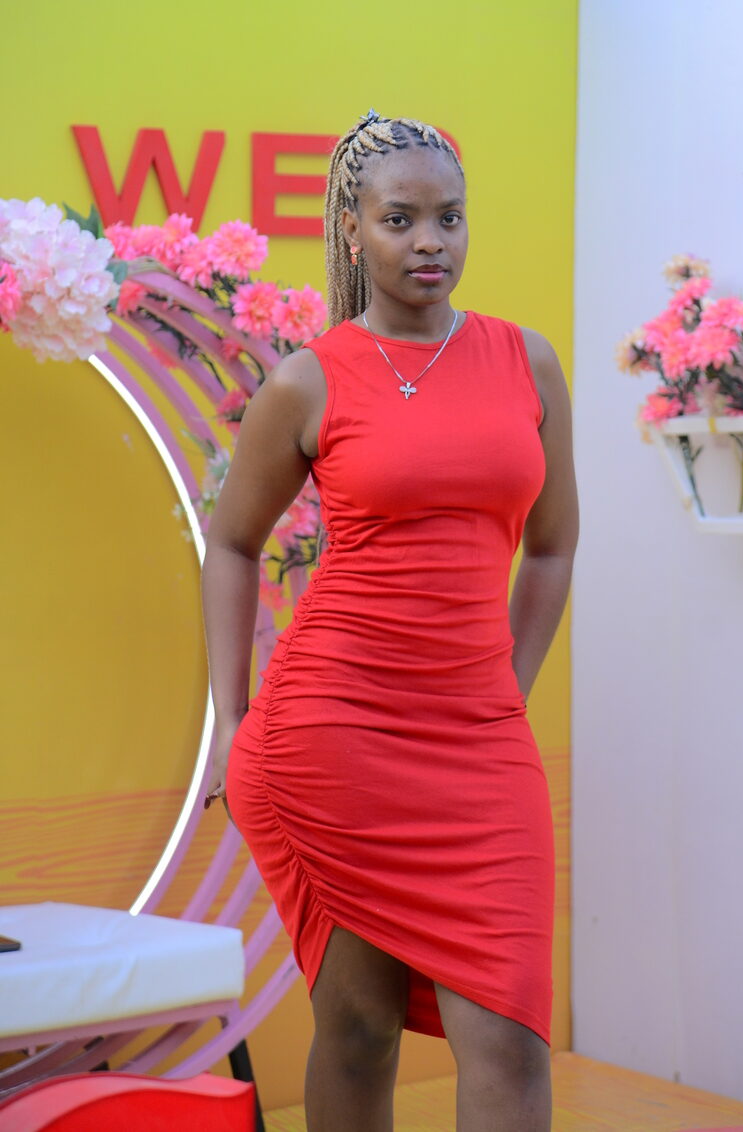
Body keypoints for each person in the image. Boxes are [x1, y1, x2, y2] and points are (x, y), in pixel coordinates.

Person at [202, 111, 578, 1132]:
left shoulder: (527, 361)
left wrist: (504, 691)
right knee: (358, 1027)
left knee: (508, 1037)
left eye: (449, 217)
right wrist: (230, 722)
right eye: (400, 219)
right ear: (351, 228)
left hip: (478, 745)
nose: (429, 241)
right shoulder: (309, 378)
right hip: (333, 738)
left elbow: (551, 547)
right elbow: (231, 544)